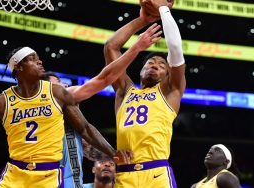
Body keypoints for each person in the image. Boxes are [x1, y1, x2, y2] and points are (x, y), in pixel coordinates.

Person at [0, 47, 130, 187]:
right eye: (32, 58)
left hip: (48, 175)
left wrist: (112, 152)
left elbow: (85, 128)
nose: (39, 61)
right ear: (19, 68)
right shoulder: (0, 103)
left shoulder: (56, 93)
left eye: (38, 57)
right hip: (16, 173)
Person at [40, 23, 163, 188]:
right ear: (45, 90)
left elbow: (86, 135)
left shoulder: (66, 113)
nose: (65, 87)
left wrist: (112, 155)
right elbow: (104, 77)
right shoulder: (54, 105)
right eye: (59, 85)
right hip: (48, 177)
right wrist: (137, 45)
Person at [104, 0, 185, 187]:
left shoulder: (170, 91)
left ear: (168, 74)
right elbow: (111, 47)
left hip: (155, 172)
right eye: (150, 63)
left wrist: (163, 9)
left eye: (161, 65)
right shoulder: (124, 91)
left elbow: (175, 49)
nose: (155, 65)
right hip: (124, 174)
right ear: (140, 70)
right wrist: (141, 20)